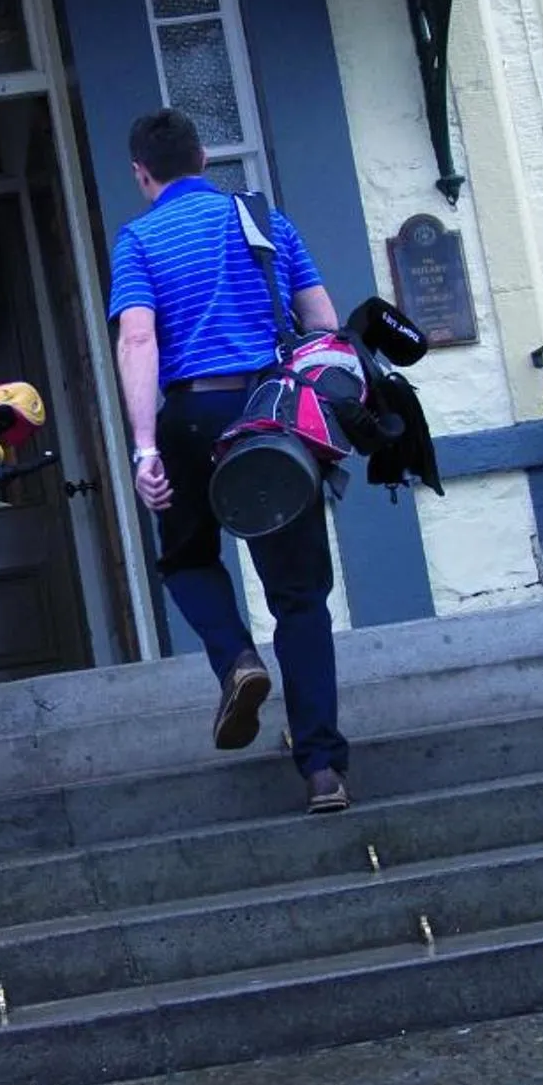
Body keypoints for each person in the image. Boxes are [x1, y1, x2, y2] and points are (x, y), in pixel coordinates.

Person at [108, 108, 350, 813]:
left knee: (185, 557)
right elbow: (323, 324)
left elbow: (137, 340)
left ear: (141, 173)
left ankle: (237, 658)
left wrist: (145, 445)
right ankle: (322, 769)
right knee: (299, 597)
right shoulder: (267, 222)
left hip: (192, 412)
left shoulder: (140, 237)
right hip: (272, 416)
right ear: (205, 156)